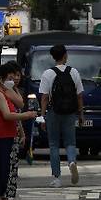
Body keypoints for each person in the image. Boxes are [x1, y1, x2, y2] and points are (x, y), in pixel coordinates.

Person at [0, 63, 37, 200]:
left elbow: (20, 103)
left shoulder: (7, 92)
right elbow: (8, 115)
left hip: (7, 135)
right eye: (9, 78)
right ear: (1, 79)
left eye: (15, 77)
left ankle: (3, 198)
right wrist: (27, 115)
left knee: (6, 169)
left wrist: (12, 89)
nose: (13, 80)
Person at [39, 44, 84, 188]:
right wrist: (81, 114)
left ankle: (57, 178)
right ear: (65, 55)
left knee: (53, 145)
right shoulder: (74, 72)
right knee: (70, 142)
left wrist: (42, 116)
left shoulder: (47, 73)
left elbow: (44, 97)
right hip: (70, 113)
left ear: (53, 57)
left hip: (53, 112)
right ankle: (71, 161)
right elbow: (79, 96)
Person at [4, 61, 26, 200]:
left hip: (16, 133)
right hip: (7, 134)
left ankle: (10, 195)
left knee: (13, 167)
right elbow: (17, 111)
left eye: (18, 75)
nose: (16, 78)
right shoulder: (7, 91)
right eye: (13, 76)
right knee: (8, 167)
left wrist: (22, 133)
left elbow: (18, 116)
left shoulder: (18, 91)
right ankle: (6, 196)